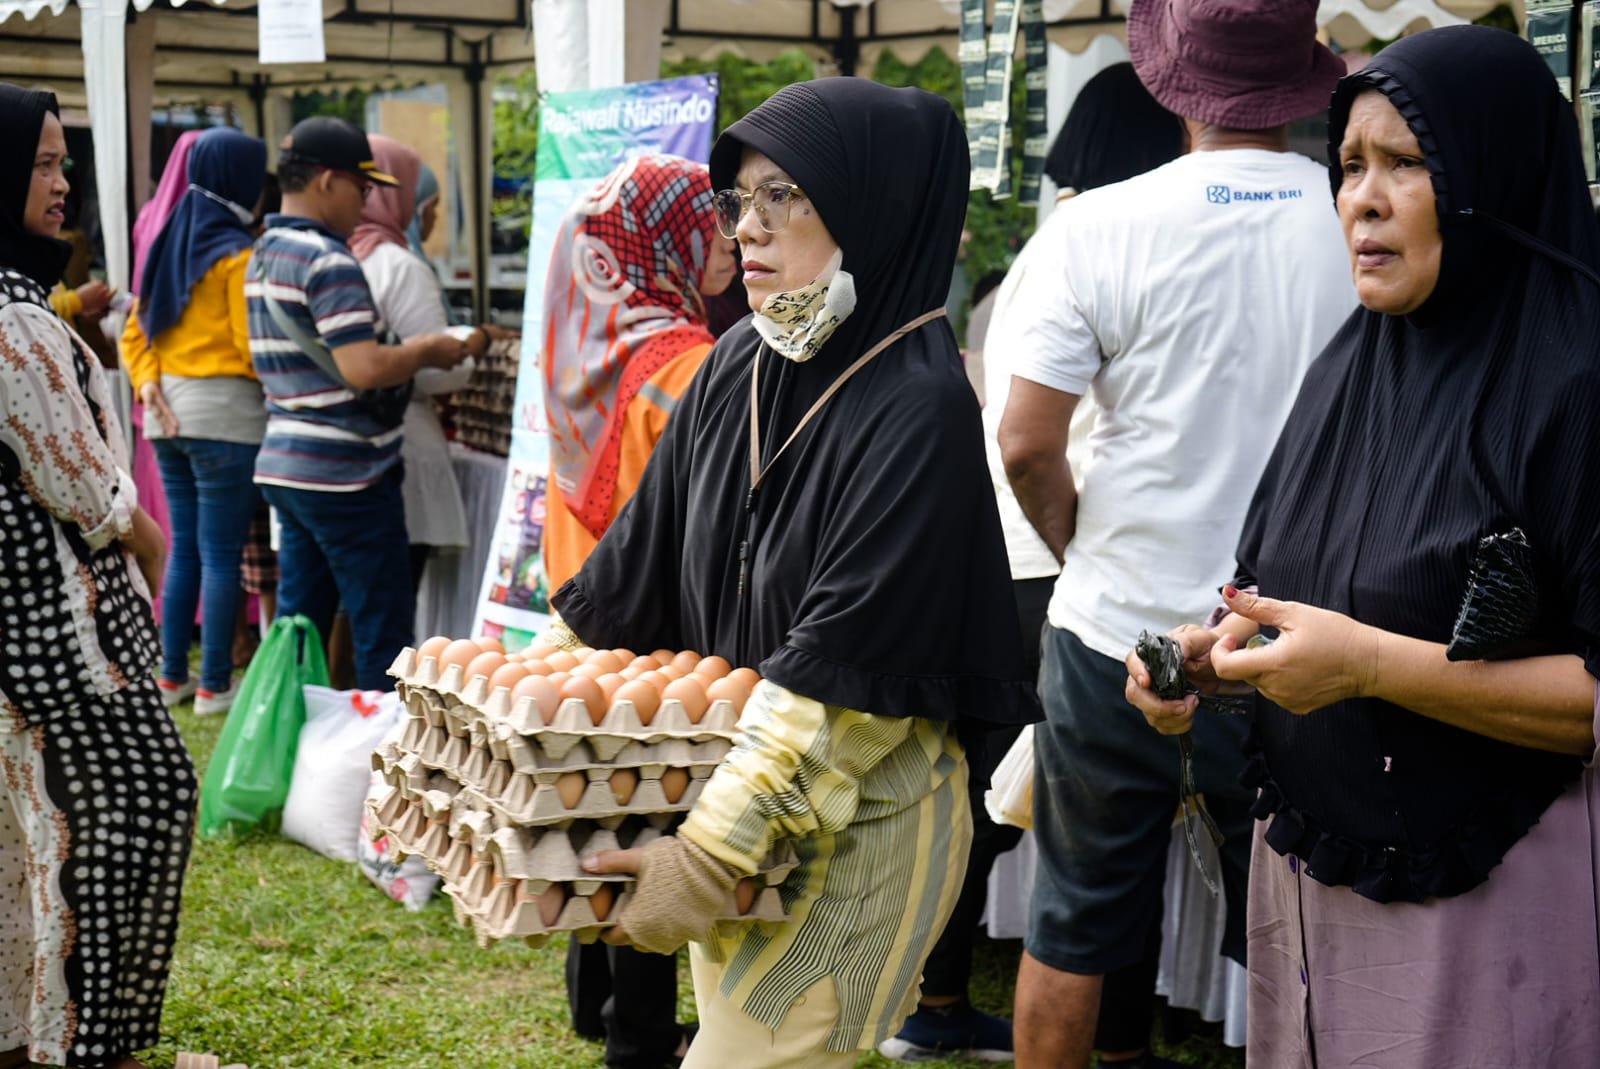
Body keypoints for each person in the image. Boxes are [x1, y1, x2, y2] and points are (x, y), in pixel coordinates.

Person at [1126, 26, 1600, 1066]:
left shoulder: (1576, 379)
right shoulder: (1351, 365)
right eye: (1349, 165)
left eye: (1407, 163)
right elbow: (1286, 585)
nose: (1362, 201)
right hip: (1313, 870)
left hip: (1499, 888)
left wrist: (1370, 667)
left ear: (1494, 176)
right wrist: (1216, 657)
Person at [554, 79, 1041, 1068]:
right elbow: (633, 569)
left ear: (873, 206)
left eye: (786, 195)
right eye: (740, 200)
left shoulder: (921, 404)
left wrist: (706, 856)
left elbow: (843, 685)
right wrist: (507, 712)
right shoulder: (739, 357)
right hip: (732, 794)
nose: (748, 228)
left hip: (853, 839)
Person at [997, 1, 1356, 1065]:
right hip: (1301, 636)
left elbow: (1025, 443)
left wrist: (1082, 548)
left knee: (1073, 916)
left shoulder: (1094, 227)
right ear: (1300, 80)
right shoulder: (1361, 222)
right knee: (1314, 930)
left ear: (1172, 80)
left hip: (1115, 623)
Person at [880, 60, 1187, 1066]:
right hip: (1063, 553)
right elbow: (1041, 438)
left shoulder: (1045, 248)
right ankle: (1113, 1041)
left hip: (1002, 550)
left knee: (997, 796)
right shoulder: (1123, 239)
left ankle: (935, 996)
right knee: (1105, 809)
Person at [0, 83, 194, 1069]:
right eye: (40, 162)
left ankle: (25, 1038)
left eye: (62, 161)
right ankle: (92, 1045)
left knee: (32, 839)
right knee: (133, 810)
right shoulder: (15, 316)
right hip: (63, 623)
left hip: (20, 626)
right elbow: (83, 484)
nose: (61, 180)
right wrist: (147, 542)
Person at [539, 153, 737, 1068]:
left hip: (579, 604)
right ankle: (641, 1035)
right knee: (654, 822)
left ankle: (597, 1002)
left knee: (597, 806)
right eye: (709, 219)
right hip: (655, 633)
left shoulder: (582, 339)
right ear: (660, 241)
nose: (730, 236)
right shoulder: (690, 364)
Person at [247, 117, 471, 690]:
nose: (366, 202)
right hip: (346, 473)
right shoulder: (328, 260)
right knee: (382, 629)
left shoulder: (264, 253)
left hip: (287, 464)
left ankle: (289, 729)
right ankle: (379, 738)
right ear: (327, 181)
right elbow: (363, 367)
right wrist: (428, 349)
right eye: (361, 188)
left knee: (300, 625)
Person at [120, 126, 268, 716]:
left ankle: (172, 675)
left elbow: (134, 332)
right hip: (226, 419)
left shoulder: (167, 243)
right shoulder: (237, 253)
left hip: (166, 417)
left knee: (184, 549)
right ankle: (214, 686)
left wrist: (149, 383)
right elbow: (249, 346)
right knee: (221, 553)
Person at [347, 135, 488, 592]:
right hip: (400, 448)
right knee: (386, 603)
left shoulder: (321, 255)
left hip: (328, 457)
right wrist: (469, 347)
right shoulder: (399, 267)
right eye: (428, 205)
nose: (432, 217)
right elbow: (432, 375)